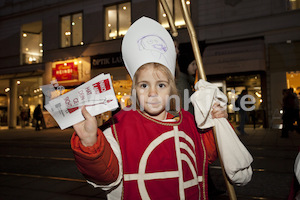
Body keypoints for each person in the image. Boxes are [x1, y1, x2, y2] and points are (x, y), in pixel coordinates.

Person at [71, 17, 230, 199]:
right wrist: (90, 143)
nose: (152, 92)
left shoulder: (187, 121)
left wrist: (218, 123)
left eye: (161, 85)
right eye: (144, 85)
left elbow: (208, 153)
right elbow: (107, 176)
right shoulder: (119, 126)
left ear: (171, 89)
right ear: (135, 89)